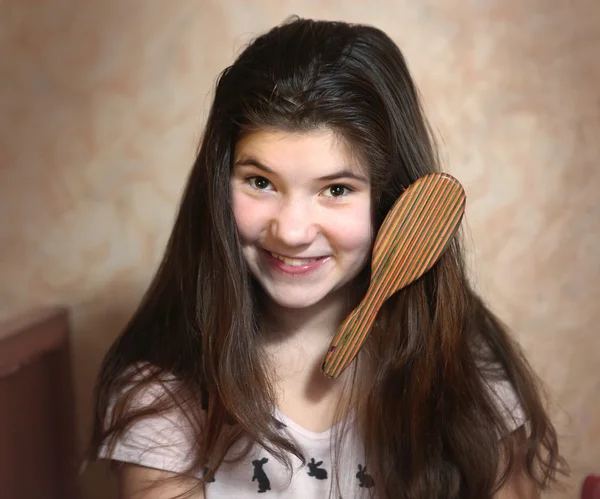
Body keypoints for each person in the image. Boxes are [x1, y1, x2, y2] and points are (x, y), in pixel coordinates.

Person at [88, 17, 565, 499]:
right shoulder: (166, 387)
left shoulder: (465, 361)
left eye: (336, 189)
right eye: (260, 182)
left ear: (392, 198)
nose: (292, 232)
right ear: (219, 184)